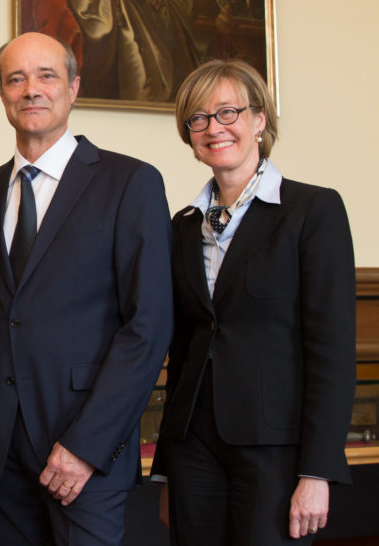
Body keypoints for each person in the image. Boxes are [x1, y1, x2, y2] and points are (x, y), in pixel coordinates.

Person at [0, 32, 173, 545]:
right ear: (1, 93)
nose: (31, 89)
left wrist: (86, 446)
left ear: (74, 87)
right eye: (16, 78)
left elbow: (148, 326)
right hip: (0, 461)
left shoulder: (130, 183)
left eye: (46, 75)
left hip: (83, 453)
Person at [150, 59, 356, 545]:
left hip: (276, 454)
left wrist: (318, 473)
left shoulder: (312, 211)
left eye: (227, 112)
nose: (212, 128)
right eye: (197, 119)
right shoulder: (182, 226)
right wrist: (165, 473)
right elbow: (183, 353)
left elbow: (331, 352)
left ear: (259, 119)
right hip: (193, 451)